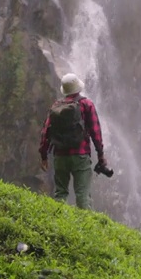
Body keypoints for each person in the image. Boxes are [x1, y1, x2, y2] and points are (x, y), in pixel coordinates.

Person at [39, 73, 108, 210]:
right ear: (78, 87)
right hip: (80, 156)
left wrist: (44, 156)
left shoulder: (56, 106)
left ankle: (56, 223)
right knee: (82, 195)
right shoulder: (86, 104)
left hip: (59, 156)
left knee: (60, 193)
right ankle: (87, 229)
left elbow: (45, 132)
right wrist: (100, 154)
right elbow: (95, 132)